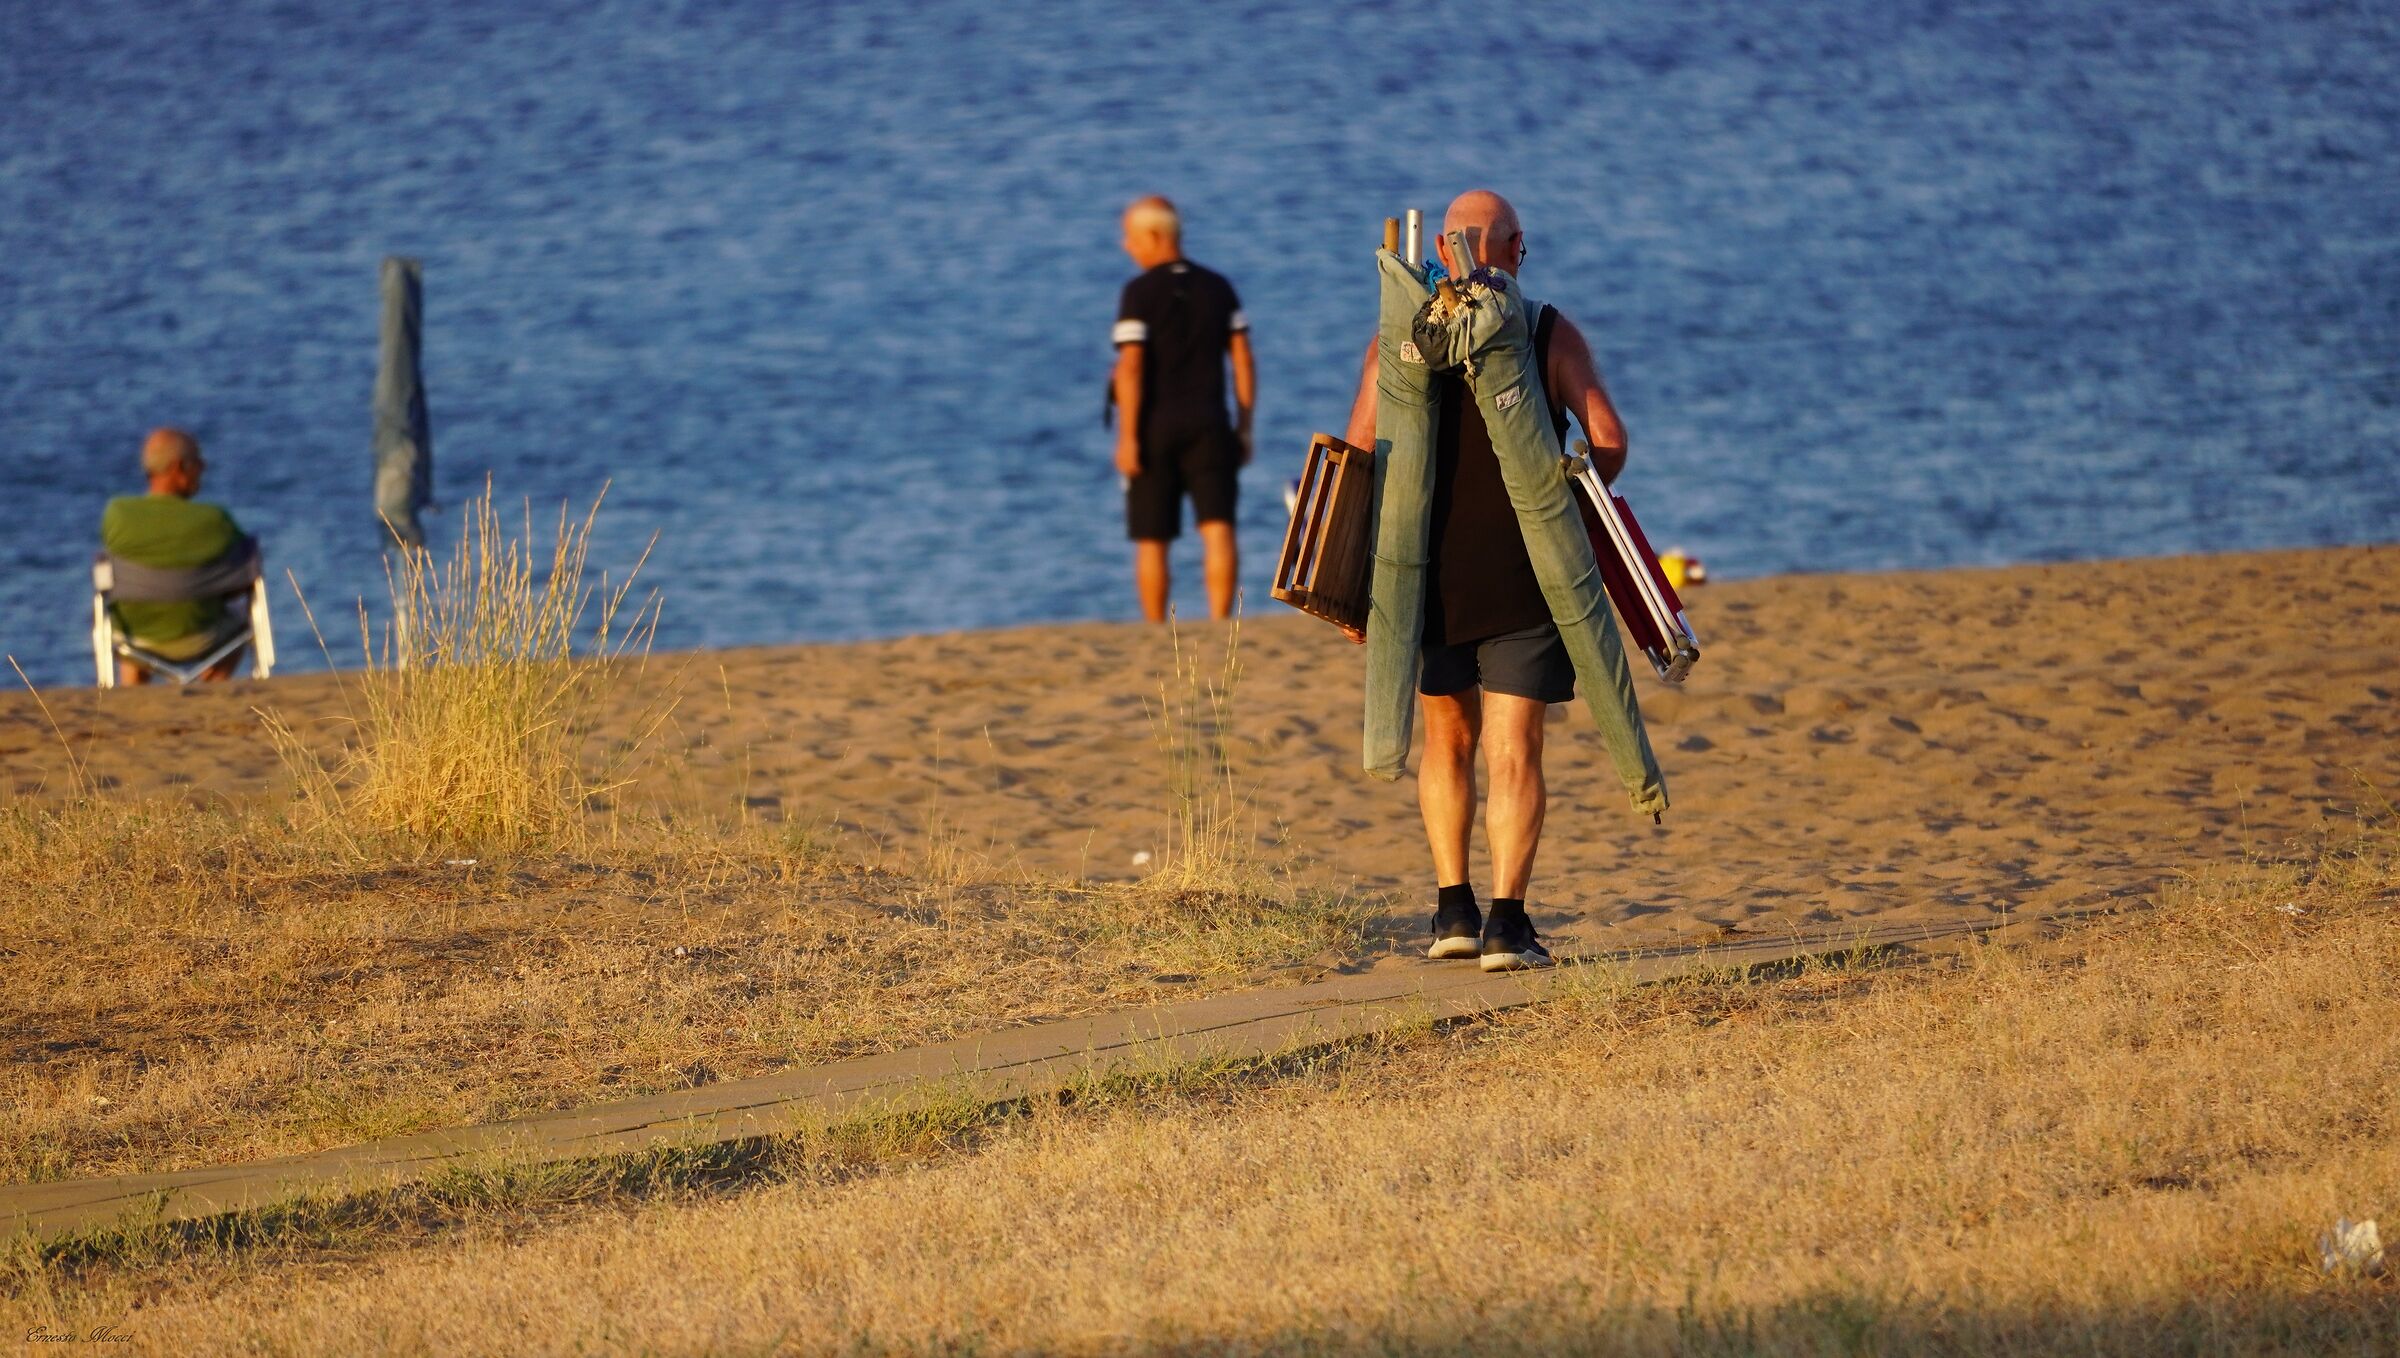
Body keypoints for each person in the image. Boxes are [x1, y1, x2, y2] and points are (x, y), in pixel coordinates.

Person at [1338, 189, 1632, 971]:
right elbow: (1608, 437)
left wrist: (1345, 584)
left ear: (1441, 248)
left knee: (1447, 743)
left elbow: (1356, 461)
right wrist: (1575, 499)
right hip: (1527, 573)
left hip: (1426, 578)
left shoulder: (1398, 340)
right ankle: (1508, 923)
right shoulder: (1543, 332)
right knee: (1515, 750)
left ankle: (1451, 912)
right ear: (1516, 248)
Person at [1110, 196, 1256, 621]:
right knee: (1218, 527)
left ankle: (1156, 628)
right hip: (1210, 422)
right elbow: (1243, 358)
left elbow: (1131, 366)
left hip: (1154, 426)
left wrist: (1127, 437)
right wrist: (1244, 426)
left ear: (1156, 237)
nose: (1126, 247)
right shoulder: (1218, 286)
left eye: (1131, 238)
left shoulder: (1138, 293)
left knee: (1152, 537)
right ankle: (1219, 621)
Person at [99, 428, 250, 684]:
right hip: (200, 636)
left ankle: (133, 695)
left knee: (129, 613)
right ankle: (210, 693)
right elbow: (242, 580)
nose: (203, 467)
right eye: (198, 461)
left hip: (133, 635)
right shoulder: (214, 520)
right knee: (243, 622)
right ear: (180, 467)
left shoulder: (117, 514)